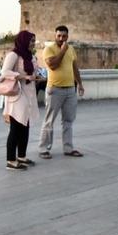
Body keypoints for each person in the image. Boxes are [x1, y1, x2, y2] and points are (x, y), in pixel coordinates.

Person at [37, 25, 85, 159]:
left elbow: (74, 68)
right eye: (59, 36)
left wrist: (80, 84)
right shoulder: (49, 49)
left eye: (64, 36)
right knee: (49, 120)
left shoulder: (71, 49)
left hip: (70, 89)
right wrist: (63, 51)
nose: (61, 38)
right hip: (55, 90)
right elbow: (52, 65)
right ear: (55, 35)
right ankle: (43, 149)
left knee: (68, 120)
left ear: (67, 37)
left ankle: (68, 148)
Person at [0, 31, 43, 171]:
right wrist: (22, 77)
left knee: (25, 126)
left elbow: (33, 73)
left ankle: (22, 156)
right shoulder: (14, 55)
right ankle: (11, 160)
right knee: (15, 128)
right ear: (23, 41)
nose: (33, 43)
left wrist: (37, 76)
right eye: (31, 41)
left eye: (34, 41)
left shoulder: (30, 56)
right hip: (17, 94)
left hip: (29, 94)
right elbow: (5, 72)